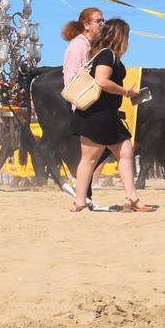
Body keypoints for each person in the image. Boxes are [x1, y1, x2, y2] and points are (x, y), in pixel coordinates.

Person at [67, 18, 150, 212]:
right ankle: (81, 201)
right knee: (90, 159)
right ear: (120, 36)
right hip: (97, 114)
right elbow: (102, 81)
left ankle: (131, 198)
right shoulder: (107, 55)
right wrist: (125, 92)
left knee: (125, 152)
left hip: (104, 114)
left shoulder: (106, 55)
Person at [61, 7, 104, 85]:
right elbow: (71, 77)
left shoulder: (89, 44)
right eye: (98, 21)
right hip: (78, 95)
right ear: (86, 25)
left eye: (103, 20)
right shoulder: (79, 45)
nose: (102, 24)